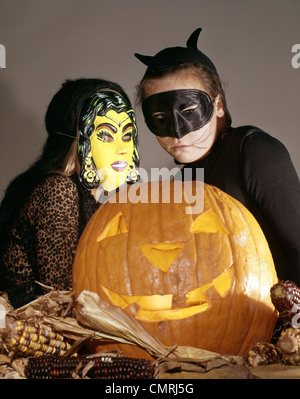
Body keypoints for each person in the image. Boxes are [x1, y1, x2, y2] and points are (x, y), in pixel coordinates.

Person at [134, 27, 300, 285]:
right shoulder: (182, 183)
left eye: (188, 110)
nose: (177, 132)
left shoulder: (254, 151)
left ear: (219, 105)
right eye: (160, 118)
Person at [0, 78, 140, 308]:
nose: (122, 148)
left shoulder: (108, 197)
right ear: (76, 139)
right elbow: (64, 300)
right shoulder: (58, 191)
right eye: (105, 135)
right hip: (44, 332)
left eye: (127, 134)